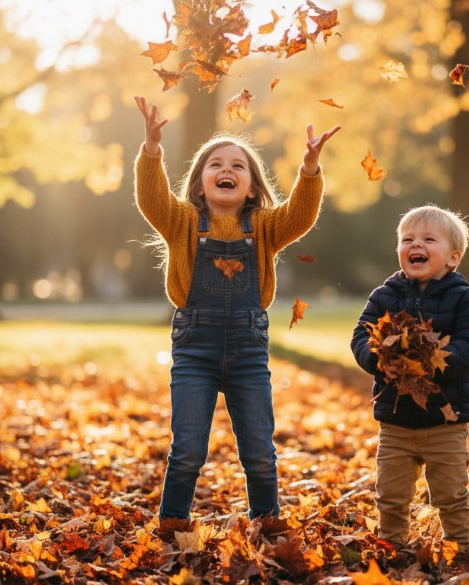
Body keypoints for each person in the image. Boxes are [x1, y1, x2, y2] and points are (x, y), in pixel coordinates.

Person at [133, 96, 340, 523]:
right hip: (195, 351)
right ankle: (172, 524)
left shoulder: (264, 226)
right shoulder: (182, 221)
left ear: (251, 186)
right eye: (216, 164)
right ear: (199, 181)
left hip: (248, 353)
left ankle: (266, 523)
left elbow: (301, 215)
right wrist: (152, 150)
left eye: (238, 166)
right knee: (188, 450)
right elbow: (152, 198)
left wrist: (310, 170)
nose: (226, 170)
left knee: (260, 453)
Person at [350, 204, 469, 549]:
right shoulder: (384, 295)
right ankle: (392, 543)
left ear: (452, 258)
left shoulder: (463, 298)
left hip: (445, 419)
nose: (416, 244)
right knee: (391, 492)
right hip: (396, 420)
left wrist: (436, 361)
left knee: (450, 492)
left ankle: (459, 545)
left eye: (429, 239)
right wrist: (378, 361)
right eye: (407, 239)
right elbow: (360, 336)